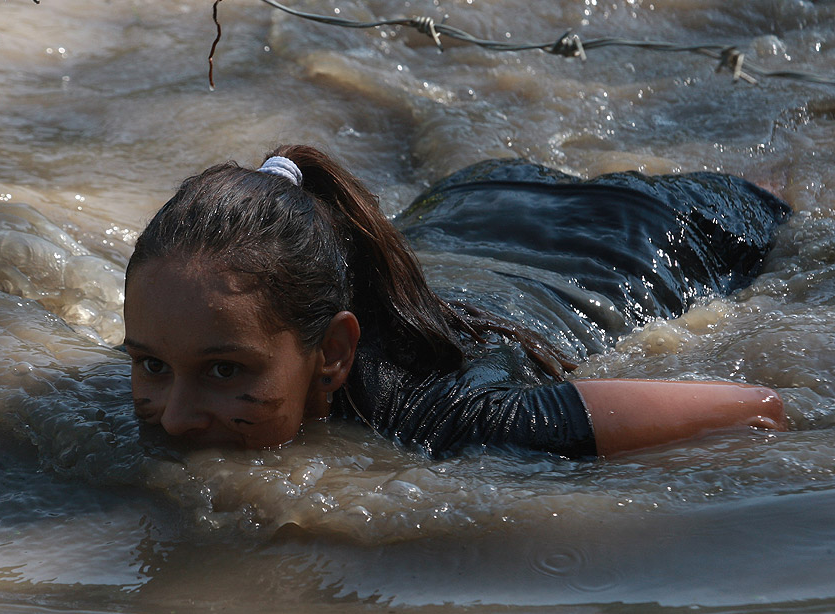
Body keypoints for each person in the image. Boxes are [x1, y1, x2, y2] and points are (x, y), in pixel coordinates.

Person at [122, 145, 790, 458]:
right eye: (150, 365)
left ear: (332, 353)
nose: (175, 418)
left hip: (652, 229)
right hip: (474, 196)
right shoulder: (215, 321)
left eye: (223, 371)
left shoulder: (449, 412)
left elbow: (754, 405)